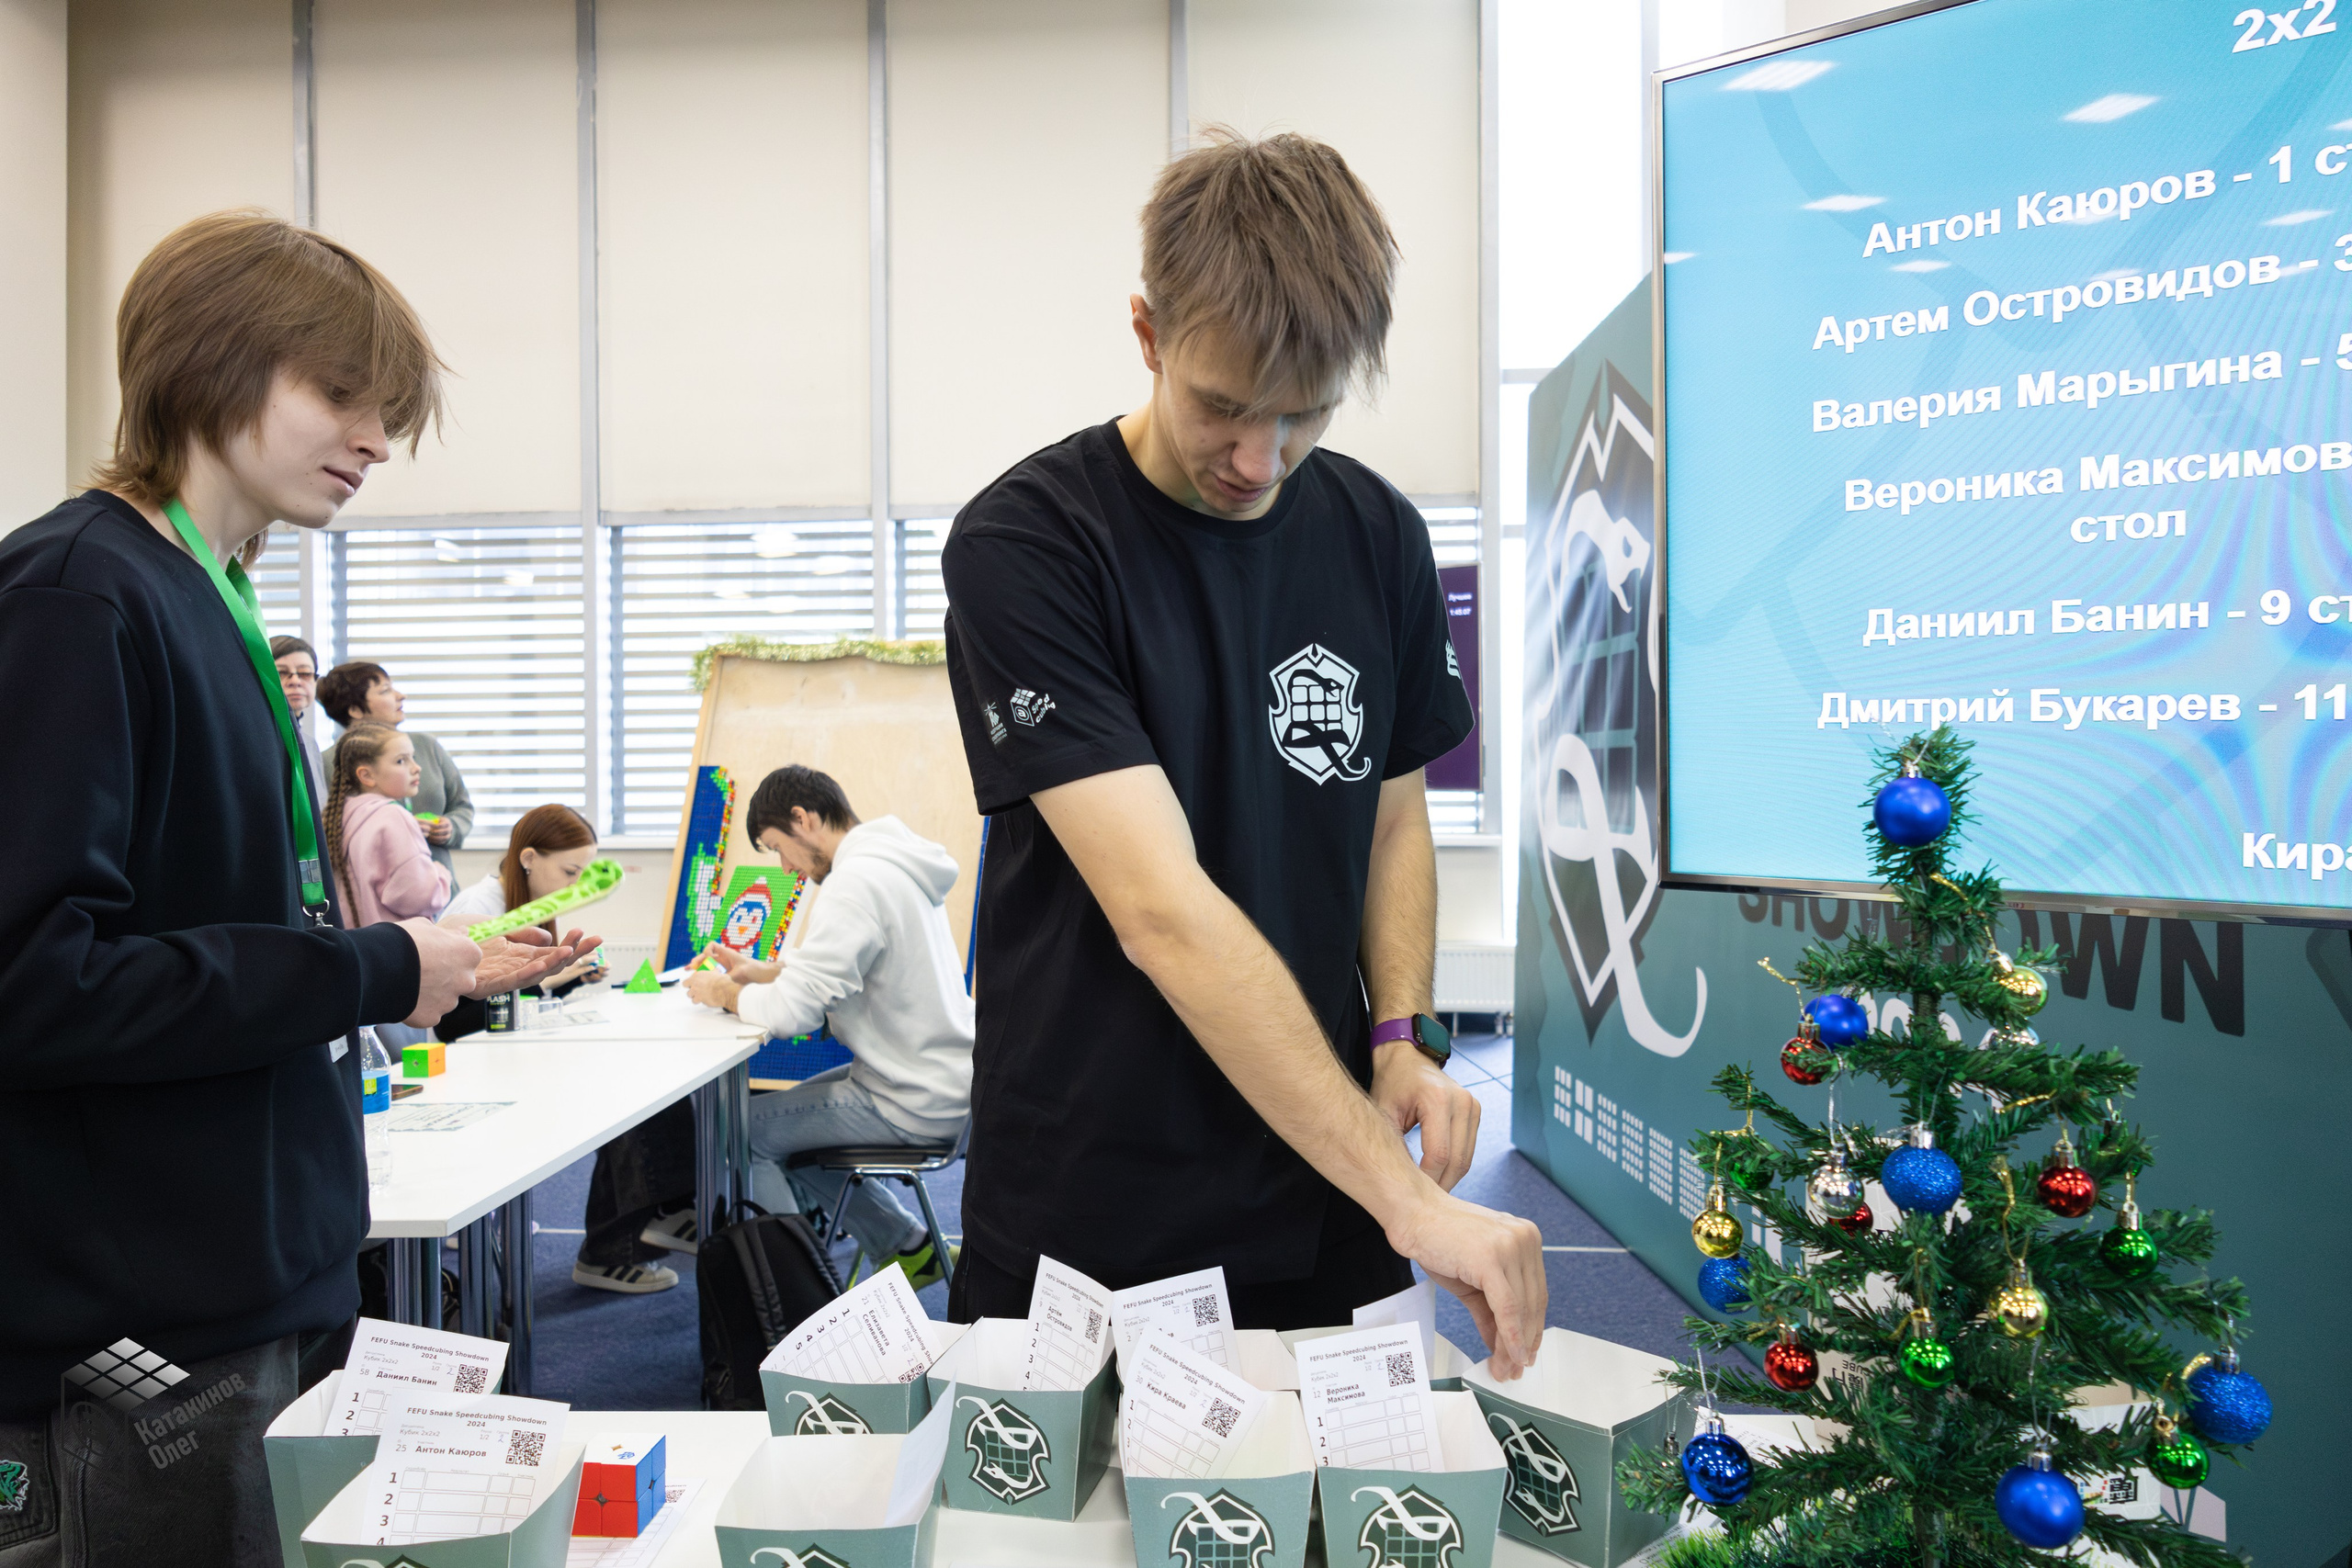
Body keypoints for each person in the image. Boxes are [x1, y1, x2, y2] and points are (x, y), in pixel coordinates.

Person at [0, 209, 590, 1567]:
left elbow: (232, 928)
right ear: (211, 366)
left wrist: (425, 966)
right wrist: (375, 966)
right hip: (135, 1329)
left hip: (261, 1271)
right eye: (341, 394)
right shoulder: (77, 595)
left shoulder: (209, 593)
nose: (377, 439)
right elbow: (37, 982)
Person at [938, 132, 1544, 1373]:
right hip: (1093, 1209)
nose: (1261, 460)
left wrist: (1399, 1037)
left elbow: (1388, 817)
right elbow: (1162, 912)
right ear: (1149, 331)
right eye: (1224, 407)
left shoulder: (1377, 530)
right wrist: (1415, 1199)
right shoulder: (1029, 544)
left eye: (1305, 414)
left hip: (1325, 1191)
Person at [684, 766, 973, 1286]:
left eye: (779, 847)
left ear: (804, 818)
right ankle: (911, 1247)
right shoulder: (894, 864)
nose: (787, 867)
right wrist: (765, 972)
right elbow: (857, 969)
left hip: (907, 1102)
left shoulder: (853, 883)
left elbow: (796, 1013)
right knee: (778, 1132)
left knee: (741, 1134)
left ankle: (795, 1290)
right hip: (942, 1085)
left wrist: (725, 992)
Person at [437, 807, 687, 1299]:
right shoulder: (481, 906)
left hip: (506, 1056)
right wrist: (556, 978)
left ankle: (636, 1233)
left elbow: (515, 1003)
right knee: (626, 1094)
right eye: (571, 873)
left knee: (639, 1085)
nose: (577, 885)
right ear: (529, 858)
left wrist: (561, 982)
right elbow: (458, 1016)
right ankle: (624, 1241)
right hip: (477, 1066)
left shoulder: (528, 901)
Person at [318, 660, 473, 880]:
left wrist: (452, 827)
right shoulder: (327, 763)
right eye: (385, 691)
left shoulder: (426, 746)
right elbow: (327, 833)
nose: (401, 696)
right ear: (354, 710)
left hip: (437, 887)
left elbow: (462, 806)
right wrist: (402, 829)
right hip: (373, 891)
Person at [326, 720, 455, 927]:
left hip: (360, 945)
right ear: (366, 775)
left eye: (413, 758)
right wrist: (441, 874)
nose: (416, 768)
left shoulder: (339, 816)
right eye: (401, 761)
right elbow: (417, 897)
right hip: (396, 947)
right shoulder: (393, 816)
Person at [270, 633, 325, 800]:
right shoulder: (256, 742)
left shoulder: (310, 744)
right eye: (281, 673)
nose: (295, 681)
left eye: (305, 673)